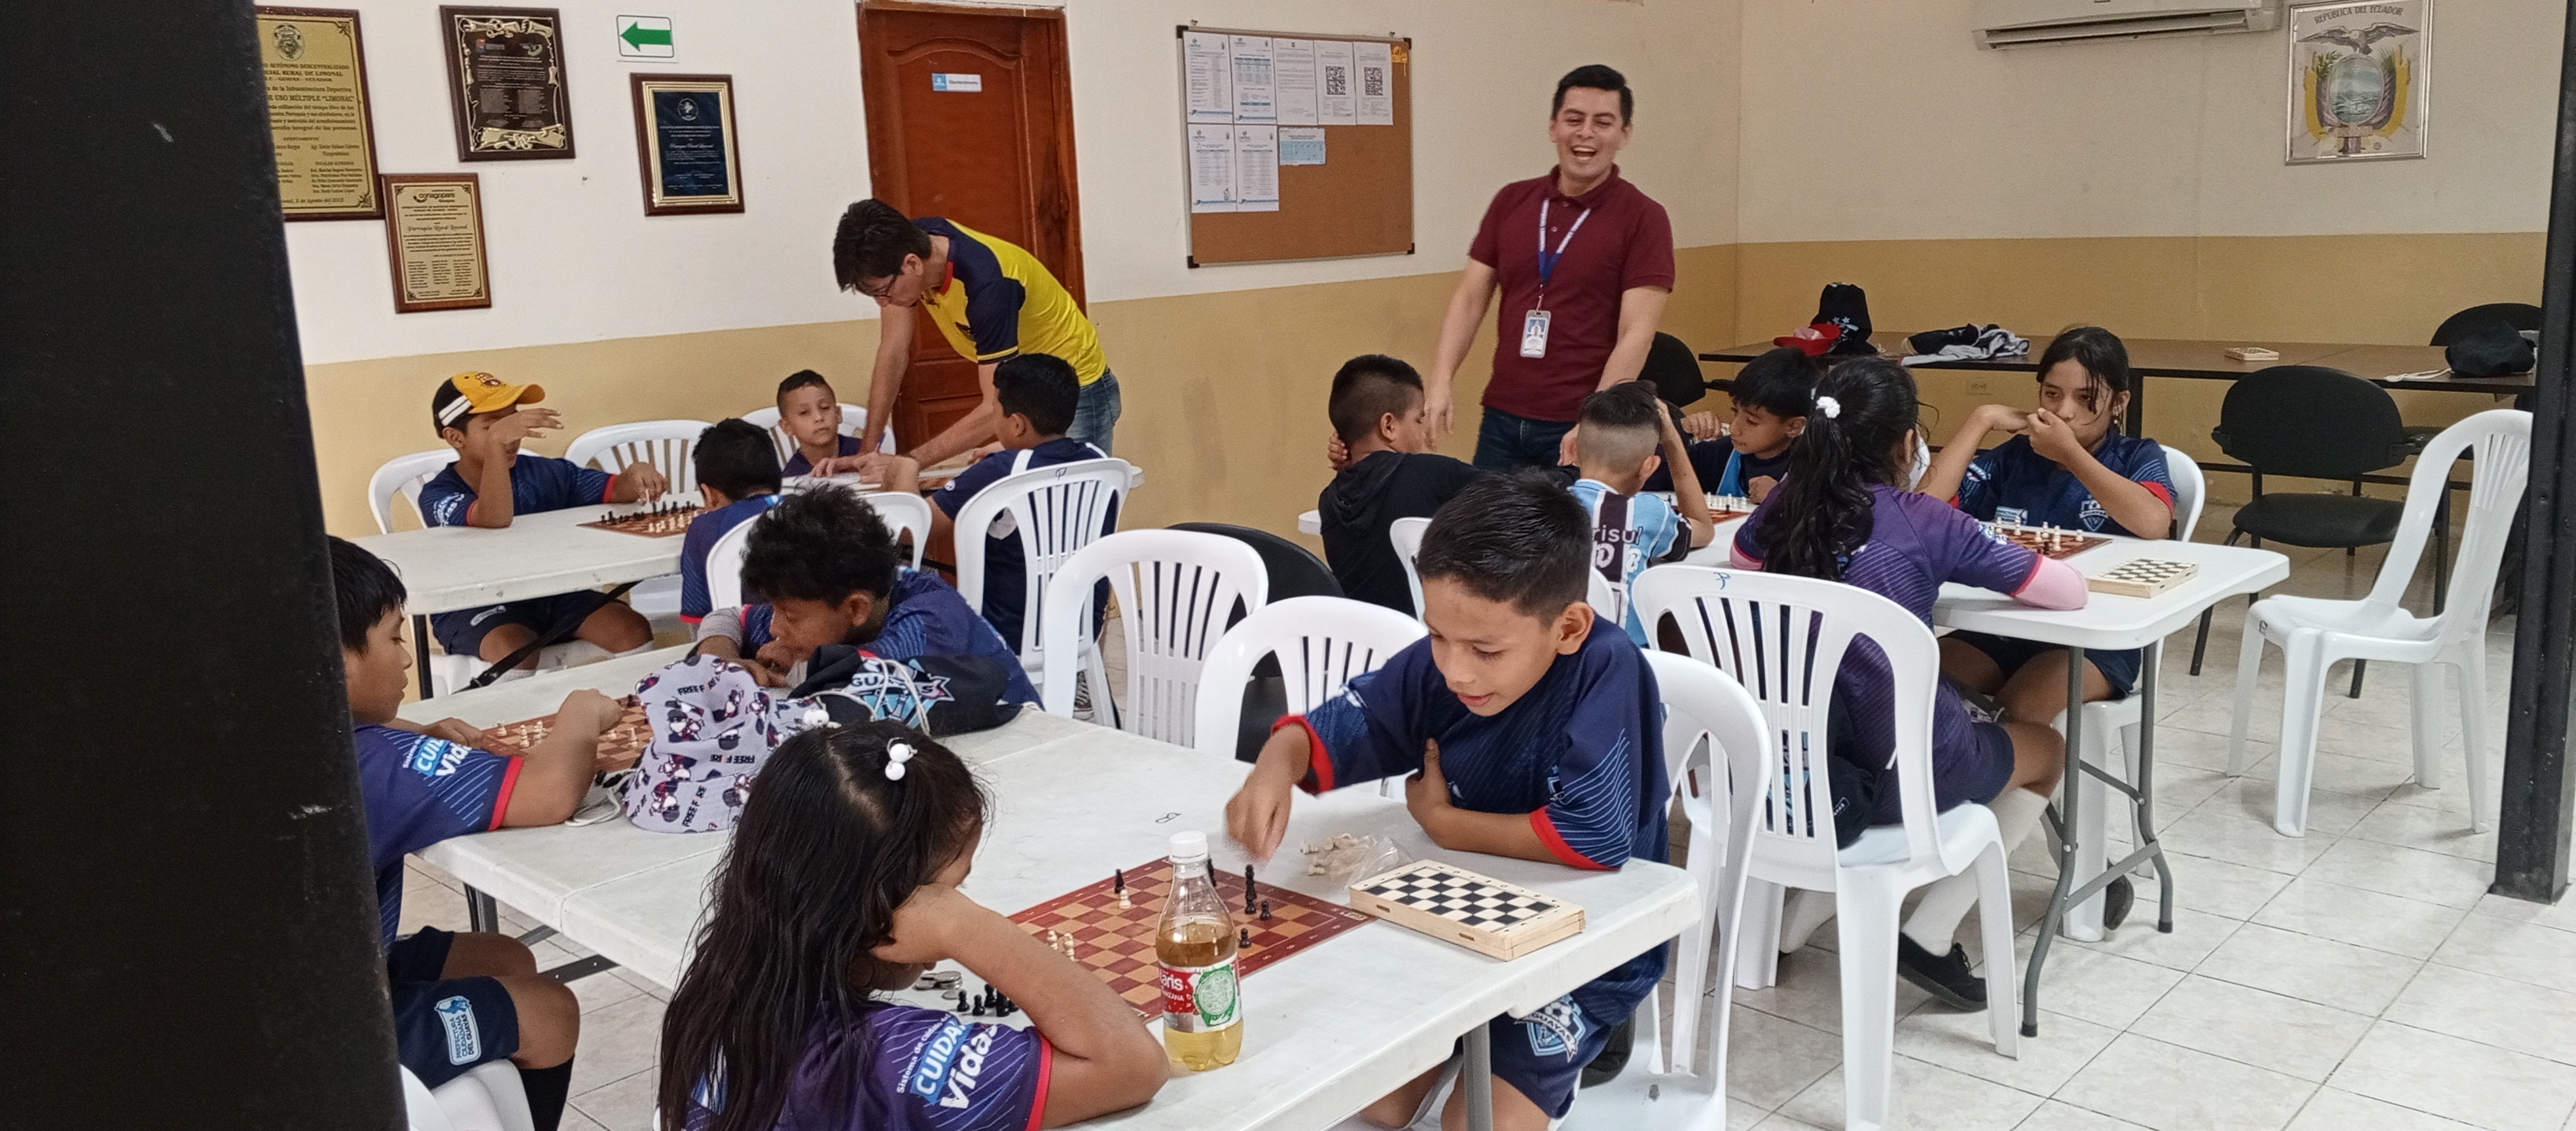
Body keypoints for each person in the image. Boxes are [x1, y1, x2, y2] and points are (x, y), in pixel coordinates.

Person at [1226, 471, 1668, 1129]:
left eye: (1486, 649)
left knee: (1475, 1124)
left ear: (1569, 627)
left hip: (1578, 951)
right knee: (1377, 1101)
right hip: (1446, 930)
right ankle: (1456, 1037)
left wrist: (1444, 824)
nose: (1456, 669)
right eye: (1437, 635)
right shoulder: (1444, 664)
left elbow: (1595, 837)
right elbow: (1351, 727)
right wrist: (1276, 763)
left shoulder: (1608, 667)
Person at [1730, 357, 2088, 1009]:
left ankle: (1794, 923)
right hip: (1902, 772)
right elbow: (2067, 591)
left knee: (1956, 701)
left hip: (1797, 767)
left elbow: (1741, 562)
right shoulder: (1929, 522)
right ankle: (1929, 932)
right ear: (1906, 445)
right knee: (2046, 749)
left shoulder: (1784, 505)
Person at [656, 721, 1167, 1131]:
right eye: (947, 893)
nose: (956, 907)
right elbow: (1131, 1064)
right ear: (884, 914)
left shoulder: (721, 993)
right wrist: (965, 927)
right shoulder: (882, 1060)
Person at [332, 536, 637, 1131]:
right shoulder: (376, 762)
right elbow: (549, 793)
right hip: (336, 1034)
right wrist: (579, 713)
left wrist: (412, 731)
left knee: (505, 956)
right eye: (393, 638)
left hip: (309, 982)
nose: (407, 659)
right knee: (551, 1012)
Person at [1916, 326, 2175, 744]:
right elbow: (1922, 511)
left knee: (2019, 710)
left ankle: (2024, 782)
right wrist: (1981, 420)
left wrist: (2070, 454)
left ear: (2119, 402)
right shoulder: (2015, 457)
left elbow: (2153, 522)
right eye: (2052, 394)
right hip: (2003, 625)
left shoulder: (2136, 456)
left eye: (2086, 399)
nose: (2065, 412)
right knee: (1916, 678)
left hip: (2093, 641)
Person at [1426, 65, 1675, 471]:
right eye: (1574, 119)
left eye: (1603, 122)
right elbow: (1470, 299)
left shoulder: (1644, 217)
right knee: (1486, 514)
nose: (1586, 133)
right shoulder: (1511, 201)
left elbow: (1637, 332)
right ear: (1553, 127)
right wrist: (1440, 381)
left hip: (1578, 423)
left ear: (1624, 134)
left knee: (1571, 516)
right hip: (1502, 416)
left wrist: (1595, 421)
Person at [828, 198, 1120, 471]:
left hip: (1074, 386)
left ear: (913, 264)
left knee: (1077, 498)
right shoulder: (905, 246)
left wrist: (907, 463)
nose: (883, 303)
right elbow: (893, 350)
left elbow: (994, 407)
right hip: (1025, 385)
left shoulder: (989, 285)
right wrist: (868, 450)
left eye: (883, 292)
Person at [693, 486, 1039, 706]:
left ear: (856, 609)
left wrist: (794, 667)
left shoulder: (931, 616)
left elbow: (859, 681)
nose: (774, 628)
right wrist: (725, 663)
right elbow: (725, 618)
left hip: (1023, 753)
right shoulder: (820, 598)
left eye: (789, 615)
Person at [419, 372, 664, 670]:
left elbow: (615, 490)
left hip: (553, 595)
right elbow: (494, 518)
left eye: (512, 420)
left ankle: (641, 699)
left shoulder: (546, 473)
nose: (510, 436)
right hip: (474, 605)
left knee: (631, 629)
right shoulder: (438, 494)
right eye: (494, 426)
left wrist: (637, 472)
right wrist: (496, 445)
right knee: (514, 651)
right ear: (455, 437)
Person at [874, 353, 1113, 654]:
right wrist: (1013, 448)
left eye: (995, 412)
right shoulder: (1098, 461)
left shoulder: (1001, 471)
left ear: (1017, 424)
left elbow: (911, 531)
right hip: (1079, 629)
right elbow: (1045, 454)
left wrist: (908, 464)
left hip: (1006, 636)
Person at [1319, 354, 1482, 615]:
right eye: (1418, 420)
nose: (1422, 432)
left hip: (1361, 636)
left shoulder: (1329, 501)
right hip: (1425, 634)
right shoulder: (1435, 474)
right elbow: (1524, 496)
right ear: (1388, 426)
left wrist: (1353, 468)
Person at [1563, 382, 1714, 644]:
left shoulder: (1547, 505)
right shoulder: (1649, 512)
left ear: (1574, 450)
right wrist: (1672, 441)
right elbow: (1704, 528)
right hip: (1629, 653)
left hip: (1558, 651)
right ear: (1650, 466)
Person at [1644, 346, 1819, 502]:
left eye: (1751, 421)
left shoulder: (1815, 467)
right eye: (1735, 411)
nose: (1734, 428)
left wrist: (1782, 499)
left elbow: (1826, 518)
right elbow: (1643, 477)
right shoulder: (1721, 454)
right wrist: (1678, 434)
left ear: (1793, 427)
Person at [678, 419, 783, 626]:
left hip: (746, 642)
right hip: (825, 641)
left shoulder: (703, 529)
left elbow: (700, 620)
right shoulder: (809, 511)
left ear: (710, 495)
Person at [774, 369, 864, 477]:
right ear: (787, 427)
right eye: (804, 412)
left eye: (825, 408)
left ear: (838, 414)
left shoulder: (866, 452)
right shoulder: (792, 478)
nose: (819, 417)